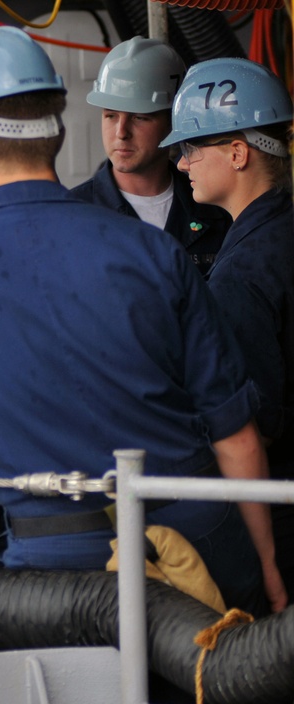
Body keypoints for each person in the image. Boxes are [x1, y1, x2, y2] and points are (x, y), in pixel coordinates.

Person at [0, 26, 286, 616]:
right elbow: (236, 435)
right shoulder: (153, 254)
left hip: (59, 577)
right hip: (202, 559)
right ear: (55, 133)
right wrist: (264, 568)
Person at [161, 57, 294, 594]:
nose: (182, 162)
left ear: (238, 153)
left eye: (191, 147)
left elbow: (250, 425)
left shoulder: (243, 272)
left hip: (279, 503)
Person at [69, 36, 229, 276]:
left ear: (173, 121)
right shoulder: (72, 215)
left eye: (139, 117)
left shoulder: (215, 209)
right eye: (110, 115)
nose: (121, 133)